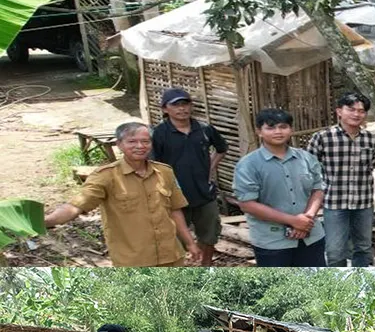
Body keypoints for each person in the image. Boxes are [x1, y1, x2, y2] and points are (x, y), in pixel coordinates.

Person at [44, 121, 202, 266]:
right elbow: (76, 205)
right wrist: (47, 221)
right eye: (132, 141)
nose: (140, 146)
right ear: (119, 144)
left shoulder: (164, 172)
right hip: (133, 261)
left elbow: (175, 210)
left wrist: (190, 243)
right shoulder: (106, 176)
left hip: (171, 256)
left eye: (145, 141)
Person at [233, 109, 327, 266]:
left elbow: (317, 189)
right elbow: (247, 204)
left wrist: (307, 218)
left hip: (311, 236)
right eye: (270, 127)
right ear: (259, 131)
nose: (278, 132)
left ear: (291, 129)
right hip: (272, 242)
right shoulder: (248, 165)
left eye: (283, 127)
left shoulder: (306, 158)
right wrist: (293, 221)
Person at [150, 87, 228, 265]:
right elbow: (152, 164)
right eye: (176, 105)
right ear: (165, 109)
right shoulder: (159, 134)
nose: (182, 109)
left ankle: (206, 266)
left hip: (204, 193)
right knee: (174, 238)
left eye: (185, 104)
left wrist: (210, 169)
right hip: (174, 196)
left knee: (209, 235)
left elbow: (221, 148)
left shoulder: (204, 129)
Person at [306, 92, 375, 267]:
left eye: (361, 111)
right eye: (351, 109)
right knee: (335, 250)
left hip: (363, 203)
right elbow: (308, 168)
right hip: (334, 203)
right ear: (339, 111)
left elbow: (372, 165)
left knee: (363, 248)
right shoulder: (323, 137)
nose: (356, 114)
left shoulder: (370, 139)